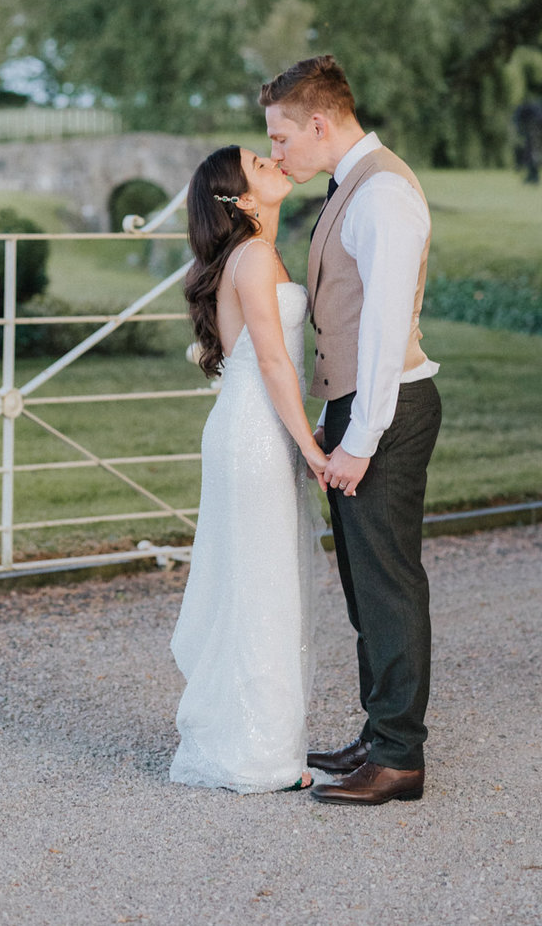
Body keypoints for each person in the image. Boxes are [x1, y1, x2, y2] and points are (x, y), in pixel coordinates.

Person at [260, 55, 442, 806]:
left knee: (389, 585)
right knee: (366, 588)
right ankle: (379, 734)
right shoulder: (352, 186)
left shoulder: (385, 194)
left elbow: (384, 327)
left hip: (387, 410)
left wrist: (360, 440)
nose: (275, 153)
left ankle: (399, 757)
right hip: (362, 407)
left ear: (319, 123)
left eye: (278, 138)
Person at [169, 145, 328, 793]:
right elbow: (271, 363)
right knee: (263, 585)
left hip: (253, 426)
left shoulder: (251, 253)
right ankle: (260, 755)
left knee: (262, 581)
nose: (276, 163)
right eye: (261, 163)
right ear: (238, 198)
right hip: (256, 431)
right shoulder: (255, 256)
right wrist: (312, 447)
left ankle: (262, 742)